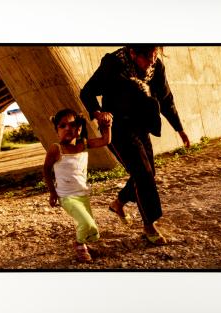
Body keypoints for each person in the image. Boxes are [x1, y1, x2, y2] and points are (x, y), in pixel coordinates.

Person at [80, 45, 190, 245]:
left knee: (148, 173)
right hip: (118, 127)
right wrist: (98, 113)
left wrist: (179, 128)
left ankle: (118, 203)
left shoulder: (156, 66)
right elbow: (87, 92)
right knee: (143, 174)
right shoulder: (113, 63)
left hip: (141, 124)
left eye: (155, 57)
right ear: (133, 53)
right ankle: (149, 226)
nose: (152, 62)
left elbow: (166, 97)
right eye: (148, 58)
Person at [43, 108, 111, 262]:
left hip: (83, 194)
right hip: (67, 196)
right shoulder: (56, 149)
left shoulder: (83, 144)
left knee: (91, 228)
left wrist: (107, 125)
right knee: (86, 223)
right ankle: (79, 245)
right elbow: (46, 170)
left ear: (79, 129)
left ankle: (85, 244)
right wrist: (52, 193)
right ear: (56, 130)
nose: (68, 128)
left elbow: (105, 140)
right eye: (63, 125)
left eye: (73, 125)